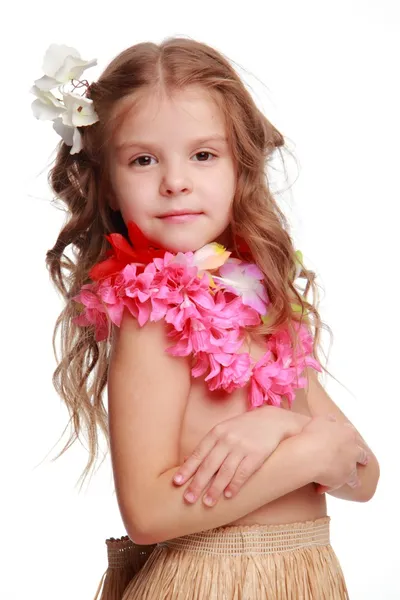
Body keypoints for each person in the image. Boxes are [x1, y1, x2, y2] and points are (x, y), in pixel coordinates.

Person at [33, 38, 380, 599]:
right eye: (143, 159)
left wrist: (285, 425)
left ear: (240, 166)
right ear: (109, 179)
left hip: (305, 581)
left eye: (203, 154)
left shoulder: (260, 305)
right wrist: (309, 450)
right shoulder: (153, 319)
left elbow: (362, 476)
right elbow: (146, 513)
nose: (175, 181)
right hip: (213, 584)